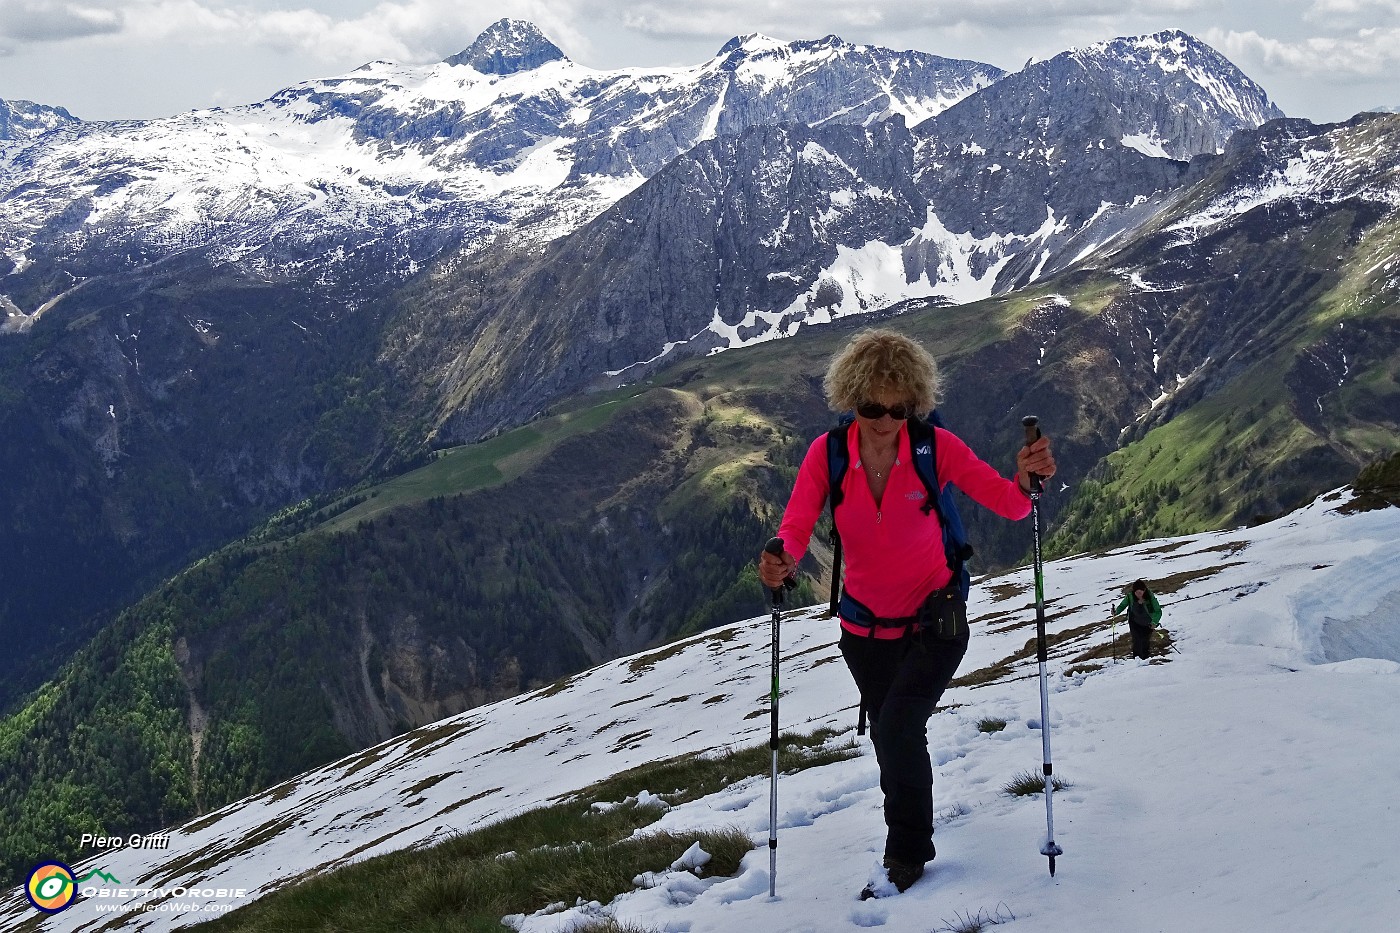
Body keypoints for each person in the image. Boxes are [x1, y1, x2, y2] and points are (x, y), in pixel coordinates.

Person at [756, 328, 1056, 897]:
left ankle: (907, 853)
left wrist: (1028, 477)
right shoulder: (830, 453)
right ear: (850, 399)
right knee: (893, 738)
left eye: (900, 408)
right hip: (863, 629)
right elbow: (795, 528)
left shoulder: (933, 448)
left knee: (896, 725)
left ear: (916, 402)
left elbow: (1011, 503)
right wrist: (781, 561)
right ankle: (907, 839)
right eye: (872, 406)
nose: (886, 419)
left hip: (935, 619)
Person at [1114, 579, 1163, 659]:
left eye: (1140, 593)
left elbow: (1158, 611)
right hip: (1134, 622)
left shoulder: (1150, 597)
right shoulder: (1130, 596)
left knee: (1145, 640)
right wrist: (1116, 612)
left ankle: (1145, 658)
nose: (1138, 595)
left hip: (1148, 623)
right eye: (1136, 593)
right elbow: (1122, 605)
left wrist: (1154, 622)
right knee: (1136, 640)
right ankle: (1136, 659)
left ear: (1144, 590)